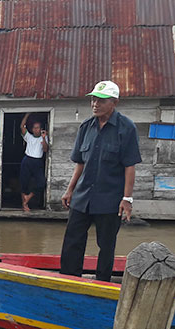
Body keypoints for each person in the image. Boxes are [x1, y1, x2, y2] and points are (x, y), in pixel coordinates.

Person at [59, 81, 141, 282]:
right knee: (72, 240)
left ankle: (102, 283)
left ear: (114, 102)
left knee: (106, 245)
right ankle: (69, 280)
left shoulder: (126, 128)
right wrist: (69, 190)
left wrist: (127, 199)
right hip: (83, 196)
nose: (95, 104)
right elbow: (80, 163)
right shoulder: (86, 127)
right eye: (93, 99)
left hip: (109, 198)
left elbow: (130, 166)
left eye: (101, 100)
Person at [19, 113, 49, 212]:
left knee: (41, 183)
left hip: (37, 162)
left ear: (41, 129)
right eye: (35, 128)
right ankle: (25, 204)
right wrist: (27, 114)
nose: (37, 130)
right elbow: (22, 126)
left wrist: (44, 138)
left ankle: (28, 198)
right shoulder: (29, 137)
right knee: (24, 183)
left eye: (38, 128)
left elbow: (45, 150)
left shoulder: (43, 138)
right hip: (27, 160)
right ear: (32, 129)